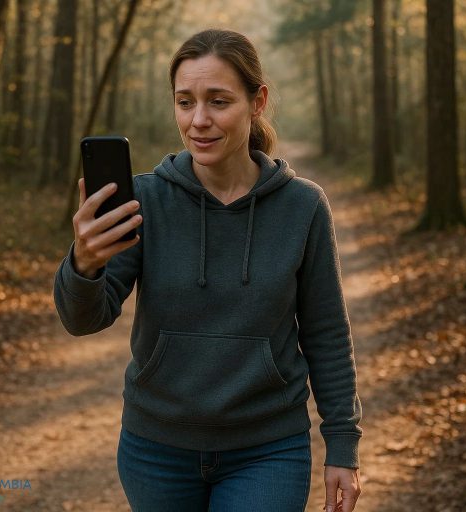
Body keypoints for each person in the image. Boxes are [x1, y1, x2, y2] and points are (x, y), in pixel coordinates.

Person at [54, 28, 362, 512]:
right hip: (155, 449)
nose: (199, 120)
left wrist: (342, 446)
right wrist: (84, 265)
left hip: (269, 448)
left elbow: (326, 333)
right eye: (185, 102)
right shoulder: (144, 200)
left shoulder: (303, 206)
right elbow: (83, 320)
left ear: (256, 101)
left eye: (218, 101)